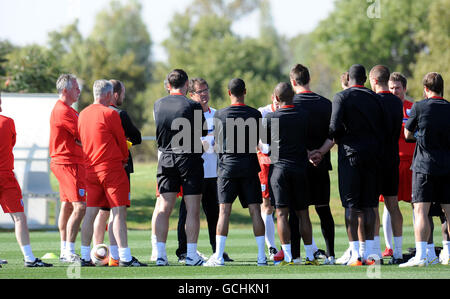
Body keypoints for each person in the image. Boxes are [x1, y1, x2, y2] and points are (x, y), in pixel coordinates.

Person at [78, 79, 146, 267]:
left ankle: (85, 256)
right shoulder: (110, 113)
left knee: (90, 214)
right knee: (118, 213)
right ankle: (124, 256)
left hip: (90, 169)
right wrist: (124, 159)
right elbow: (121, 142)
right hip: (111, 169)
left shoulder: (82, 114)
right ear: (109, 95)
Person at [204, 78, 267, 267]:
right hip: (249, 166)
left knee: (224, 212)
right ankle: (262, 257)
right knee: (256, 210)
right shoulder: (255, 114)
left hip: (227, 168)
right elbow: (261, 144)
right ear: (244, 92)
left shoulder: (220, 114)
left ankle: (219, 257)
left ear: (228, 93)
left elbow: (214, 145)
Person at [329, 64, 387, 266]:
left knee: (351, 206)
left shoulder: (341, 97)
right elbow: (384, 127)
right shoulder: (376, 98)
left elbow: (334, 127)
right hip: (373, 156)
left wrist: (341, 136)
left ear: (349, 79)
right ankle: (371, 253)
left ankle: (355, 252)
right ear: (364, 78)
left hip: (351, 155)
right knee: (370, 205)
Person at [175, 78, 233, 263]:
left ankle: (218, 251)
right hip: (192, 172)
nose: (205, 94)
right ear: (191, 95)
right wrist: (206, 143)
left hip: (214, 173)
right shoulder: (188, 115)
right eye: (200, 92)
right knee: (187, 213)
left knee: (214, 214)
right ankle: (183, 251)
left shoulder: (217, 114)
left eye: (206, 90)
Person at [153, 69, 207, 266]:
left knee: (164, 208)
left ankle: (160, 255)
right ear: (186, 85)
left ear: (169, 84)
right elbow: (201, 132)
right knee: (192, 209)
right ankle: (191, 255)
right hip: (188, 158)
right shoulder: (193, 105)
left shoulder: (158, 103)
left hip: (166, 158)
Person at [263, 82, 320, 266]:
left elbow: (265, 148)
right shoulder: (303, 115)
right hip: (300, 168)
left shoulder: (271, 117)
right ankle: (310, 255)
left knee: (281, 213)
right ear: (293, 96)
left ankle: (288, 256)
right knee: (304, 213)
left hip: (278, 170)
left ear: (277, 98)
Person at [401, 72, 450, 267]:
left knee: (421, 211)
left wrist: (420, 137)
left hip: (424, 165)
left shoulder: (419, 107)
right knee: (448, 211)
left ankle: (422, 255)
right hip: (447, 165)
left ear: (425, 89)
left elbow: (407, 134)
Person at [290, 64, 336, 265]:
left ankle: (296, 255)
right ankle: (331, 254)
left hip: (298, 165)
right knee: (324, 210)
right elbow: (334, 134)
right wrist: (320, 152)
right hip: (321, 164)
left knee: (297, 212)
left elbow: (288, 137)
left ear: (293, 82)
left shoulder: (290, 104)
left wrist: (307, 152)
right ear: (309, 79)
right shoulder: (326, 103)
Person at [0, 93, 53, 267]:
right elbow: (11, 143)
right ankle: (29, 257)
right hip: (6, 175)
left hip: (6, 174)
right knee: (19, 217)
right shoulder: (7, 122)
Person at [369, 65, 404, 264]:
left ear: (374, 81)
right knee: (393, 206)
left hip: (375, 159)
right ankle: (397, 252)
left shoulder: (372, 101)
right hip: (392, 159)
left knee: (373, 207)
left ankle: (375, 253)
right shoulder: (397, 102)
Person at [49, 74, 86, 263]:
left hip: (67, 161)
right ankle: (68, 251)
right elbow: (82, 137)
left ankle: (64, 248)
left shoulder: (68, 110)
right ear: (65, 90)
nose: (79, 91)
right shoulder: (63, 110)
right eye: (75, 88)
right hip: (67, 163)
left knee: (68, 205)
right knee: (80, 206)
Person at [380, 72, 416, 259]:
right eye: (392, 88)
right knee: (388, 205)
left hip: (410, 164)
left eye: (398, 88)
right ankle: (389, 246)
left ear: (405, 88)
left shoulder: (412, 108)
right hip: (391, 163)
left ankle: (420, 245)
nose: (395, 91)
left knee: (416, 205)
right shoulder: (383, 106)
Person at [257, 93, 280, 260]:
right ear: (272, 97)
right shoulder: (262, 112)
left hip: (282, 162)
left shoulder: (288, 111)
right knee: (267, 205)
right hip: (265, 163)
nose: (278, 103)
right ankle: (271, 247)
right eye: (276, 100)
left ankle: (310, 247)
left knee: (286, 206)